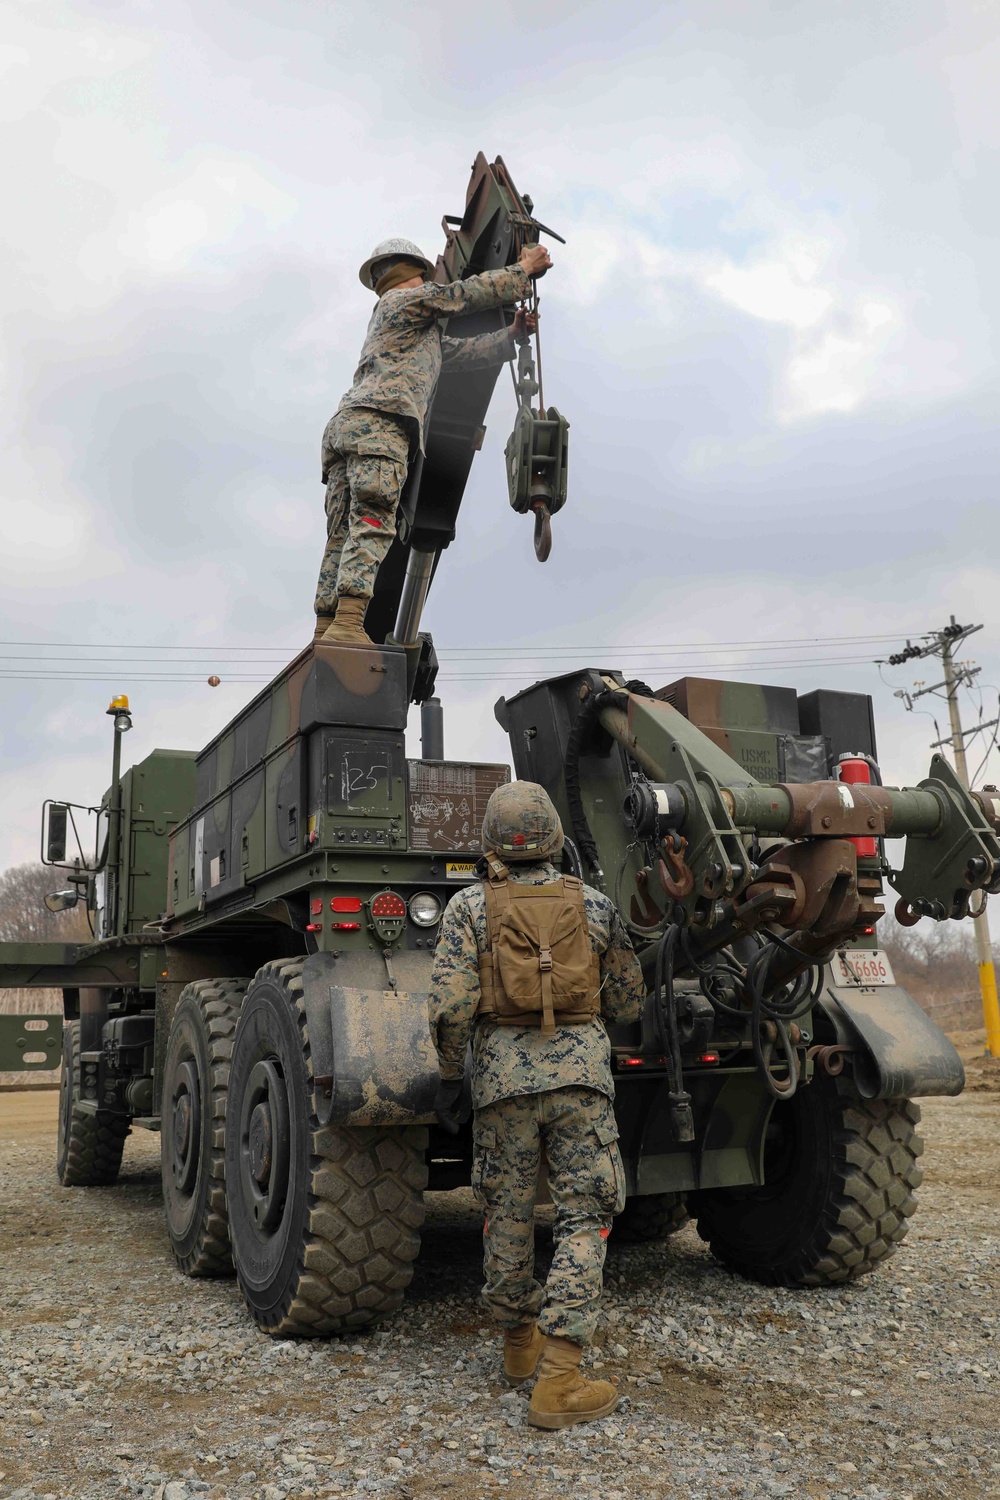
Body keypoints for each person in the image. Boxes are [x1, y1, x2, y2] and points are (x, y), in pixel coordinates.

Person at [428, 781, 645, 1430]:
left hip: (502, 1089)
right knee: (584, 1219)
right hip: (583, 1086)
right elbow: (631, 1002)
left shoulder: (470, 907)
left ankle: (518, 1347)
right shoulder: (597, 906)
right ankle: (560, 1379)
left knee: (508, 1215)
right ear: (554, 836)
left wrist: (449, 1075)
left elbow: (448, 1008)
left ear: (492, 843)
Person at [314, 237, 552, 646]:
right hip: (380, 426)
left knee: (342, 533)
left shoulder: (403, 325)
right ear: (415, 272)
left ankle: (326, 628)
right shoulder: (404, 301)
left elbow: (454, 353)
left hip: (346, 429)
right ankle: (348, 626)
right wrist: (522, 271)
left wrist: (510, 335)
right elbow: (458, 296)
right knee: (371, 521)